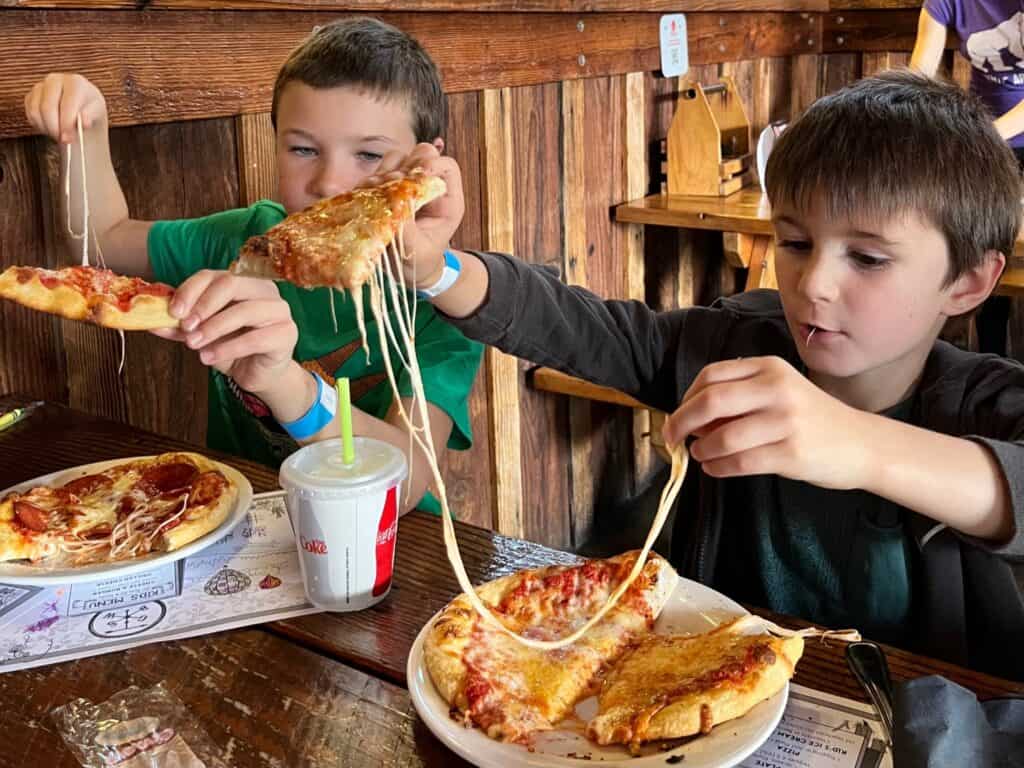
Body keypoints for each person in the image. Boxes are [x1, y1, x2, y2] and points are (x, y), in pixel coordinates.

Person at [381, 71, 1024, 679]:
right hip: (704, 689)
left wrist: (856, 444)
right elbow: (586, 328)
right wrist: (438, 269)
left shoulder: (986, 402)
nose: (814, 285)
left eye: (868, 257)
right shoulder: (726, 346)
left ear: (967, 283)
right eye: (795, 244)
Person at [23, 18, 483, 514]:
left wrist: (286, 384)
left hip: (389, 544)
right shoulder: (245, 241)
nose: (329, 183)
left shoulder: (447, 297)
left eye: (369, 154)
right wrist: (85, 134)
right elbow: (104, 242)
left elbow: (407, 479)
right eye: (304, 149)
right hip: (237, 513)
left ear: (424, 166)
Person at [910, 0, 1024, 355]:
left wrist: (979, 136)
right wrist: (908, 121)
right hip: (988, 140)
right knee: (988, 243)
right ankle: (990, 360)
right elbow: (919, 75)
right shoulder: (945, 2)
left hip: (989, 136)